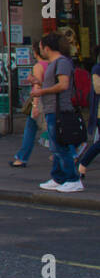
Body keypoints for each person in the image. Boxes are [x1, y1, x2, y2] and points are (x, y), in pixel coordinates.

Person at [34, 32, 82, 192]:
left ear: (47, 48)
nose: (40, 50)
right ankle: (58, 177)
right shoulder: (55, 63)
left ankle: (73, 179)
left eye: (41, 47)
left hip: (59, 110)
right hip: (52, 109)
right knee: (56, 146)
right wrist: (37, 82)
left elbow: (63, 85)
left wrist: (42, 91)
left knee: (60, 147)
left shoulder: (61, 62)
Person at [11, 43, 47, 168]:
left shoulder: (38, 66)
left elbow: (37, 86)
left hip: (40, 100)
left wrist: (35, 106)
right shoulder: (51, 64)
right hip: (48, 99)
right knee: (38, 128)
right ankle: (22, 157)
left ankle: (22, 158)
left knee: (38, 129)